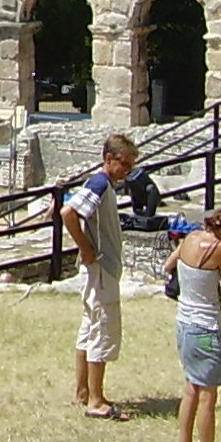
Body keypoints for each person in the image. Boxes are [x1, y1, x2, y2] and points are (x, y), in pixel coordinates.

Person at [61, 133, 138, 419]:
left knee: (89, 327)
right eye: (124, 164)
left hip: (99, 269)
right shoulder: (100, 183)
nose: (127, 171)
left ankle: (83, 391)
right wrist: (86, 248)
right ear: (109, 159)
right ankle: (96, 399)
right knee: (102, 329)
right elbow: (68, 212)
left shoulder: (103, 186)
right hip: (101, 269)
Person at [165, 205, 221, 442]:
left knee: (191, 389)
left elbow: (169, 265)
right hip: (205, 328)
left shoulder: (189, 238)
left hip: (184, 323)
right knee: (208, 396)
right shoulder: (219, 250)